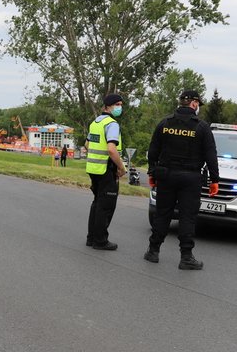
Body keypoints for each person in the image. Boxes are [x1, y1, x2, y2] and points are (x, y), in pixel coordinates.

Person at [144, 89, 220, 269]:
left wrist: (152, 173)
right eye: (198, 105)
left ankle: (153, 251)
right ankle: (186, 257)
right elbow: (211, 155)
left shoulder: (165, 123)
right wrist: (214, 180)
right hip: (191, 178)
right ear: (194, 103)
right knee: (187, 217)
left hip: (166, 176)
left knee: (163, 213)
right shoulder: (202, 127)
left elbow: (153, 151)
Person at [85, 94, 127, 251]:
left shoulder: (96, 122)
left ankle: (91, 238)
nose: (119, 107)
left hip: (94, 169)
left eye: (120, 104)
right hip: (106, 170)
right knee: (106, 206)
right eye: (116, 104)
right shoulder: (112, 124)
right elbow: (111, 149)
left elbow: (87, 144)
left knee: (97, 203)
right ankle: (100, 240)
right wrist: (121, 168)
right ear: (107, 106)